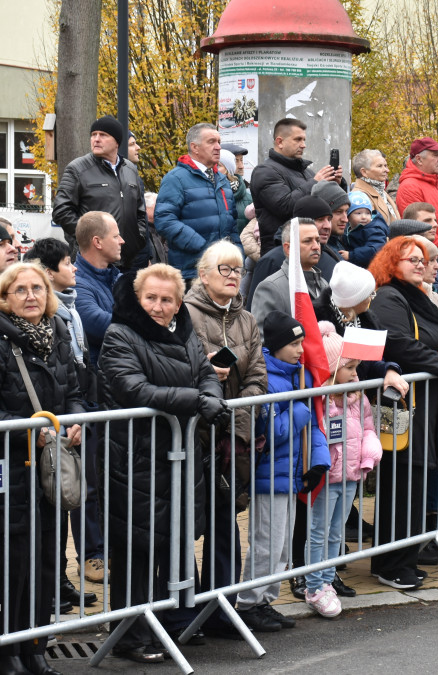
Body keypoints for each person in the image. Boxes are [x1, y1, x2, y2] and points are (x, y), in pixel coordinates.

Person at [99, 264, 228, 660]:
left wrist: (210, 394)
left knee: (164, 545)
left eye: (166, 299)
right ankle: (129, 635)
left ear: (178, 303)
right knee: (134, 548)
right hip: (135, 457)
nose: (158, 306)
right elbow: (133, 388)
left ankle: (156, 626)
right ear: (138, 298)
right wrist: (195, 401)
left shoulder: (184, 331)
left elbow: (205, 372)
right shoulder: (120, 334)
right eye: (151, 298)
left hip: (177, 456)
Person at [0, 262, 83, 675]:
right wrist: (25, 433)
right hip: (12, 469)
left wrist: (75, 422)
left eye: (38, 288)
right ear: (4, 296)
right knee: (14, 565)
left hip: (50, 469)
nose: (32, 295)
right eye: (21, 290)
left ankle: (36, 646)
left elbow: (74, 391)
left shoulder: (58, 335)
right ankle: (7, 653)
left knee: (47, 562)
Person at [367, 237, 438, 587]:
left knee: (419, 483)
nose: (420, 264)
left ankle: (404, 557)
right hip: (407, 406)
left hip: (430, 403)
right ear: (393, 262)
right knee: (403, 483)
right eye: (412, 259)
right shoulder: (389, 295)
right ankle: (391, 563)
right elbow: (398, 344)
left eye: (423, 259)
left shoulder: (418, 295)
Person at [184, 241, 267, 623]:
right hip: (190, 434)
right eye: (224, 269)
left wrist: (236, 427)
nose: (234, 276)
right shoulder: (184, 313)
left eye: (237, 270)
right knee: (186, 525)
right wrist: (204, 378)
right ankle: (186, 613)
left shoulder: (247, 320)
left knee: (224, 523)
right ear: (203, 275)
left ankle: (220, 611)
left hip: (229, 437)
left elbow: (257, 378)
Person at [236, 310, 329, 631]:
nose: (301, 349)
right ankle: (248, 603)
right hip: (269, 477)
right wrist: (300, 412)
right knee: (267, 544)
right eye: (294, 343)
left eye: (302, 342)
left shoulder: (297, 374)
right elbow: (269, 433)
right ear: (276, 345)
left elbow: (313, 424)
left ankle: (265, 601)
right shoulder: (267, 379)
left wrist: (318, 461)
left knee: (283, 546)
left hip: (291, 474)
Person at [24, 236, 106, 585]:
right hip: (49, 418)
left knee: (86, 483)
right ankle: (76, 564)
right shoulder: (50, 314)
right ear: (47, 272)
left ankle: (87, 558)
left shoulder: (68, 309)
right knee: (67, 486)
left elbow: (77, 365)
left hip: (79, 404)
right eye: (67, 263)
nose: (74, 268)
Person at [303, 322, 382, 618]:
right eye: (349, 367)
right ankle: (313, 586)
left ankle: (327, 580)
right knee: (319, 530)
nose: (355, 373)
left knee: (337, 532)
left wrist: (369, 452)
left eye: (356, 366)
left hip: (351, 475)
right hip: (328, 476)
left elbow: (367, 427)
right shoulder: (321, 400)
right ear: (332, 367)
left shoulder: (357, 396)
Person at [52, 115, 147, 268]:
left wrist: (138, 238)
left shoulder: (130, 170)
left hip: (128, 261)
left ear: (117, 141)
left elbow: (140, 212)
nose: (96, 139)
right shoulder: (77, 169)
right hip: (93, 261)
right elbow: (61, 211)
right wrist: (90, 239)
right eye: (93, 135)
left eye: (103, 135)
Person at [155, 123, 240, 283]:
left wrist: (237, 254)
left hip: (224, 270)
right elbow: (164, 221)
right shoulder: (176, 179)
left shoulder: (222, 179)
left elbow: (232, 224)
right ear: (194, 147)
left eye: (219, 142)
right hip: (192, 273)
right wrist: (204, 248)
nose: (218, 147)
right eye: (211, 142)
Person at [251, 118, 344, 254]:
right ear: (280, 142)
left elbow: (329, 208)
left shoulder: (307, 172)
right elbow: (285, 207)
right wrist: (315, 183)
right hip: (282, 250)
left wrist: (337, 184)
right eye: (298, 139)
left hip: (311, 248)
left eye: (304, 140)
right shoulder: (264, 171)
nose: (303, 145)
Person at [251, 218, 328, 332]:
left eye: (317, 240)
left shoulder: (324, 284)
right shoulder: (271, 288)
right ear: (288, 248)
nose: (316, 246)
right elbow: (263, 340)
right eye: (308, 241)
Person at [74, 211, 124, 368]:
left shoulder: (118, 278)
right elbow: (97, 323)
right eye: (115, 236)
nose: (122, 241)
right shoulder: (75, 282)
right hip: (97, 379)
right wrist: (144, 323)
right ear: (97, 242)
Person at [395, 137, 438, 246]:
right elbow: (420, 230)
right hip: (433, 257)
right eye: (435, 155)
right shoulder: (409, 187)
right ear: (419, 159)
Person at [350, 149, 400, 225]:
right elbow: (369, 232)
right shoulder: (360, 197)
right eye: (380, 166)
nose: (387, 170)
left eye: (385, 166)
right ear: (364, 172)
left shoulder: (380, 191)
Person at [344, 190, 388, 268]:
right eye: (359, 213)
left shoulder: (375, 230)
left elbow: (374, 250)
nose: (364, 217)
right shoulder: (348, 229)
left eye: (367, 213)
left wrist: (351, 255)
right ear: (348, 216)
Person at [218, 147, 253, 231]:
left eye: (241, 160)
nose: (241, 166)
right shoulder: (208, 194)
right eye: (236, 161)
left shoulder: (250, 199)